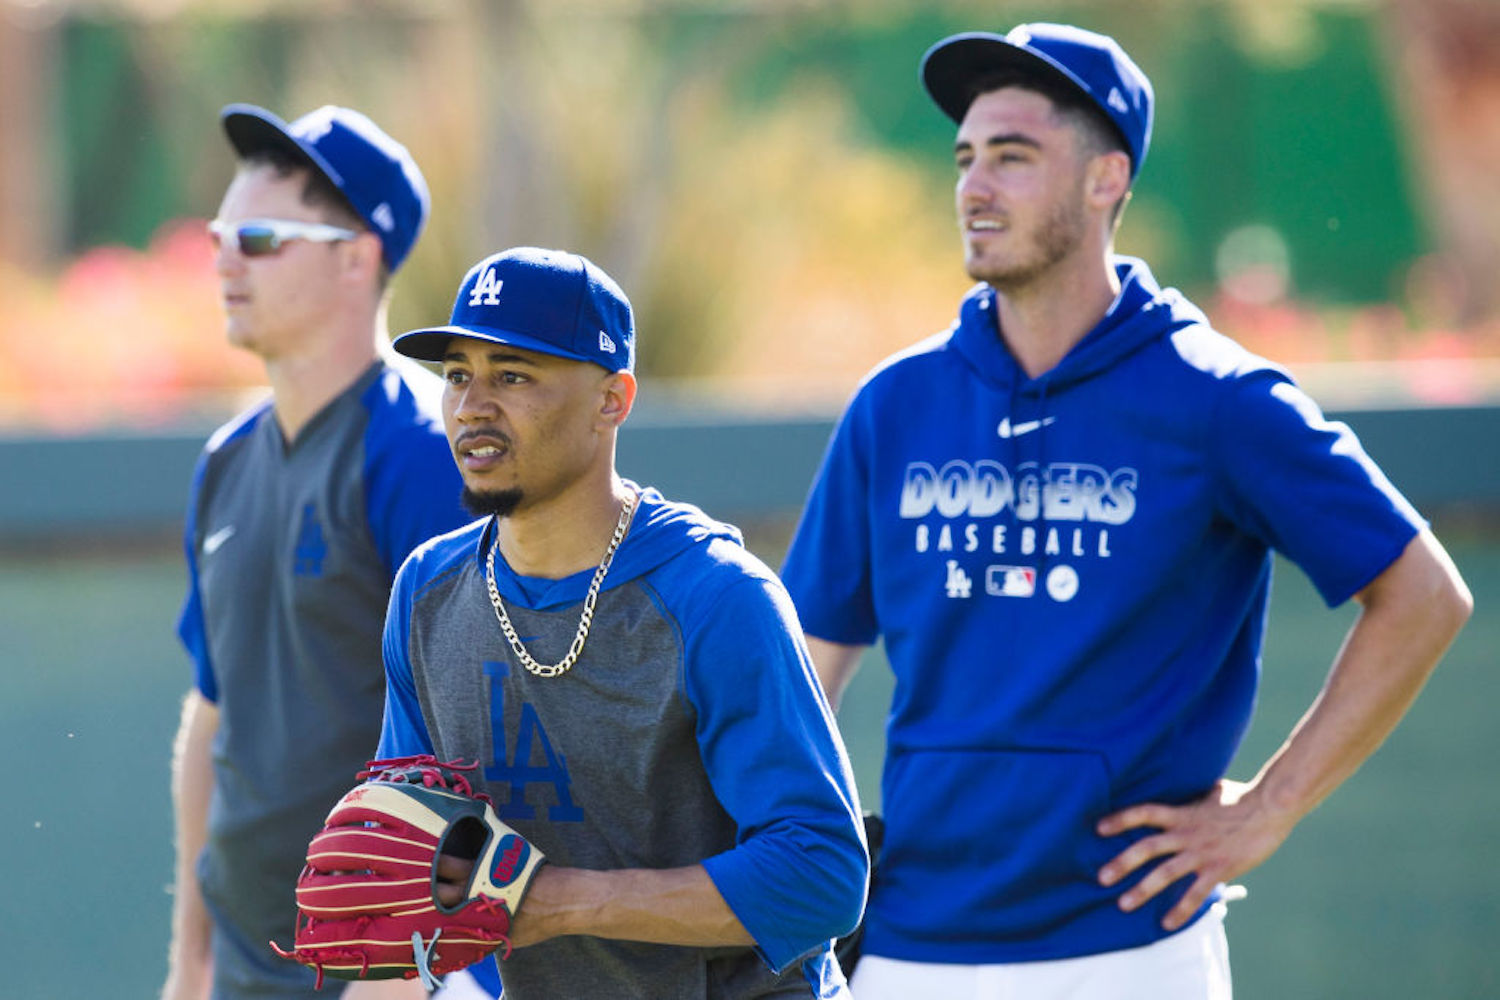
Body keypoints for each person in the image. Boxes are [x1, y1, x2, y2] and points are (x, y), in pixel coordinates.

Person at [779, 22, 1473, 1000]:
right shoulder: (895, 405)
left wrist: (1269, 807)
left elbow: (1424, 596)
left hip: (1130, 954)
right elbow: (802, 671)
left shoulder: (1217, 400)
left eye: (1014, 157)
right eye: (965, 158)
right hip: (906, 950)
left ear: (1107, 180)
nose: (974, 188)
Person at [375, 245, 869, 999]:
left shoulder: (715, 598)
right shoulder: (427, 594)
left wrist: (560, 901)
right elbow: (422, 845)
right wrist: (401, 880)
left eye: (512, 375)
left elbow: (824, 873)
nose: (473, 404)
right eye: (456, 375)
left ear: (613, 400)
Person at [166, 104, 487, 1000]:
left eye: (261, 237)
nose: (226, 258)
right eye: (223, 233)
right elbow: (211, 722)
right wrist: (188, 965)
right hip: (242, 966)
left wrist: (392, 975)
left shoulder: (428, 454)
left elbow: (475, 739)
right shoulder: (226, 461)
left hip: (384, 976)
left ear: (357, 256)